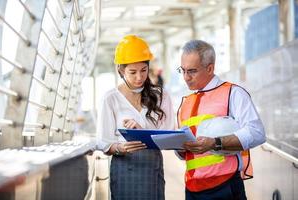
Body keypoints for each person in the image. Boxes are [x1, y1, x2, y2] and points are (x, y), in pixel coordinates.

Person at [176, 40, 266, 200]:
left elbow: (257, 133)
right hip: (191, 188)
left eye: (192, 71)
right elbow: (185, 155)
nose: (185, 77)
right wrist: (178, 147)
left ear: (210, 68)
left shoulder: (233, 93)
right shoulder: (186, 102)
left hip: (224, 187)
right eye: (182, 70)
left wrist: (215, 143)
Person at [97, 35, 174, 200]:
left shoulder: (161, 96)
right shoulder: (110, 98)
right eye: (132, 72)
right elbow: (103, 141)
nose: (139, 77)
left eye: (143, 70)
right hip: (124, 167)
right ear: (121, 70)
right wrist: (120, 148)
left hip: (151, 167)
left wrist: (143, 132)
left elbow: (169, 134)